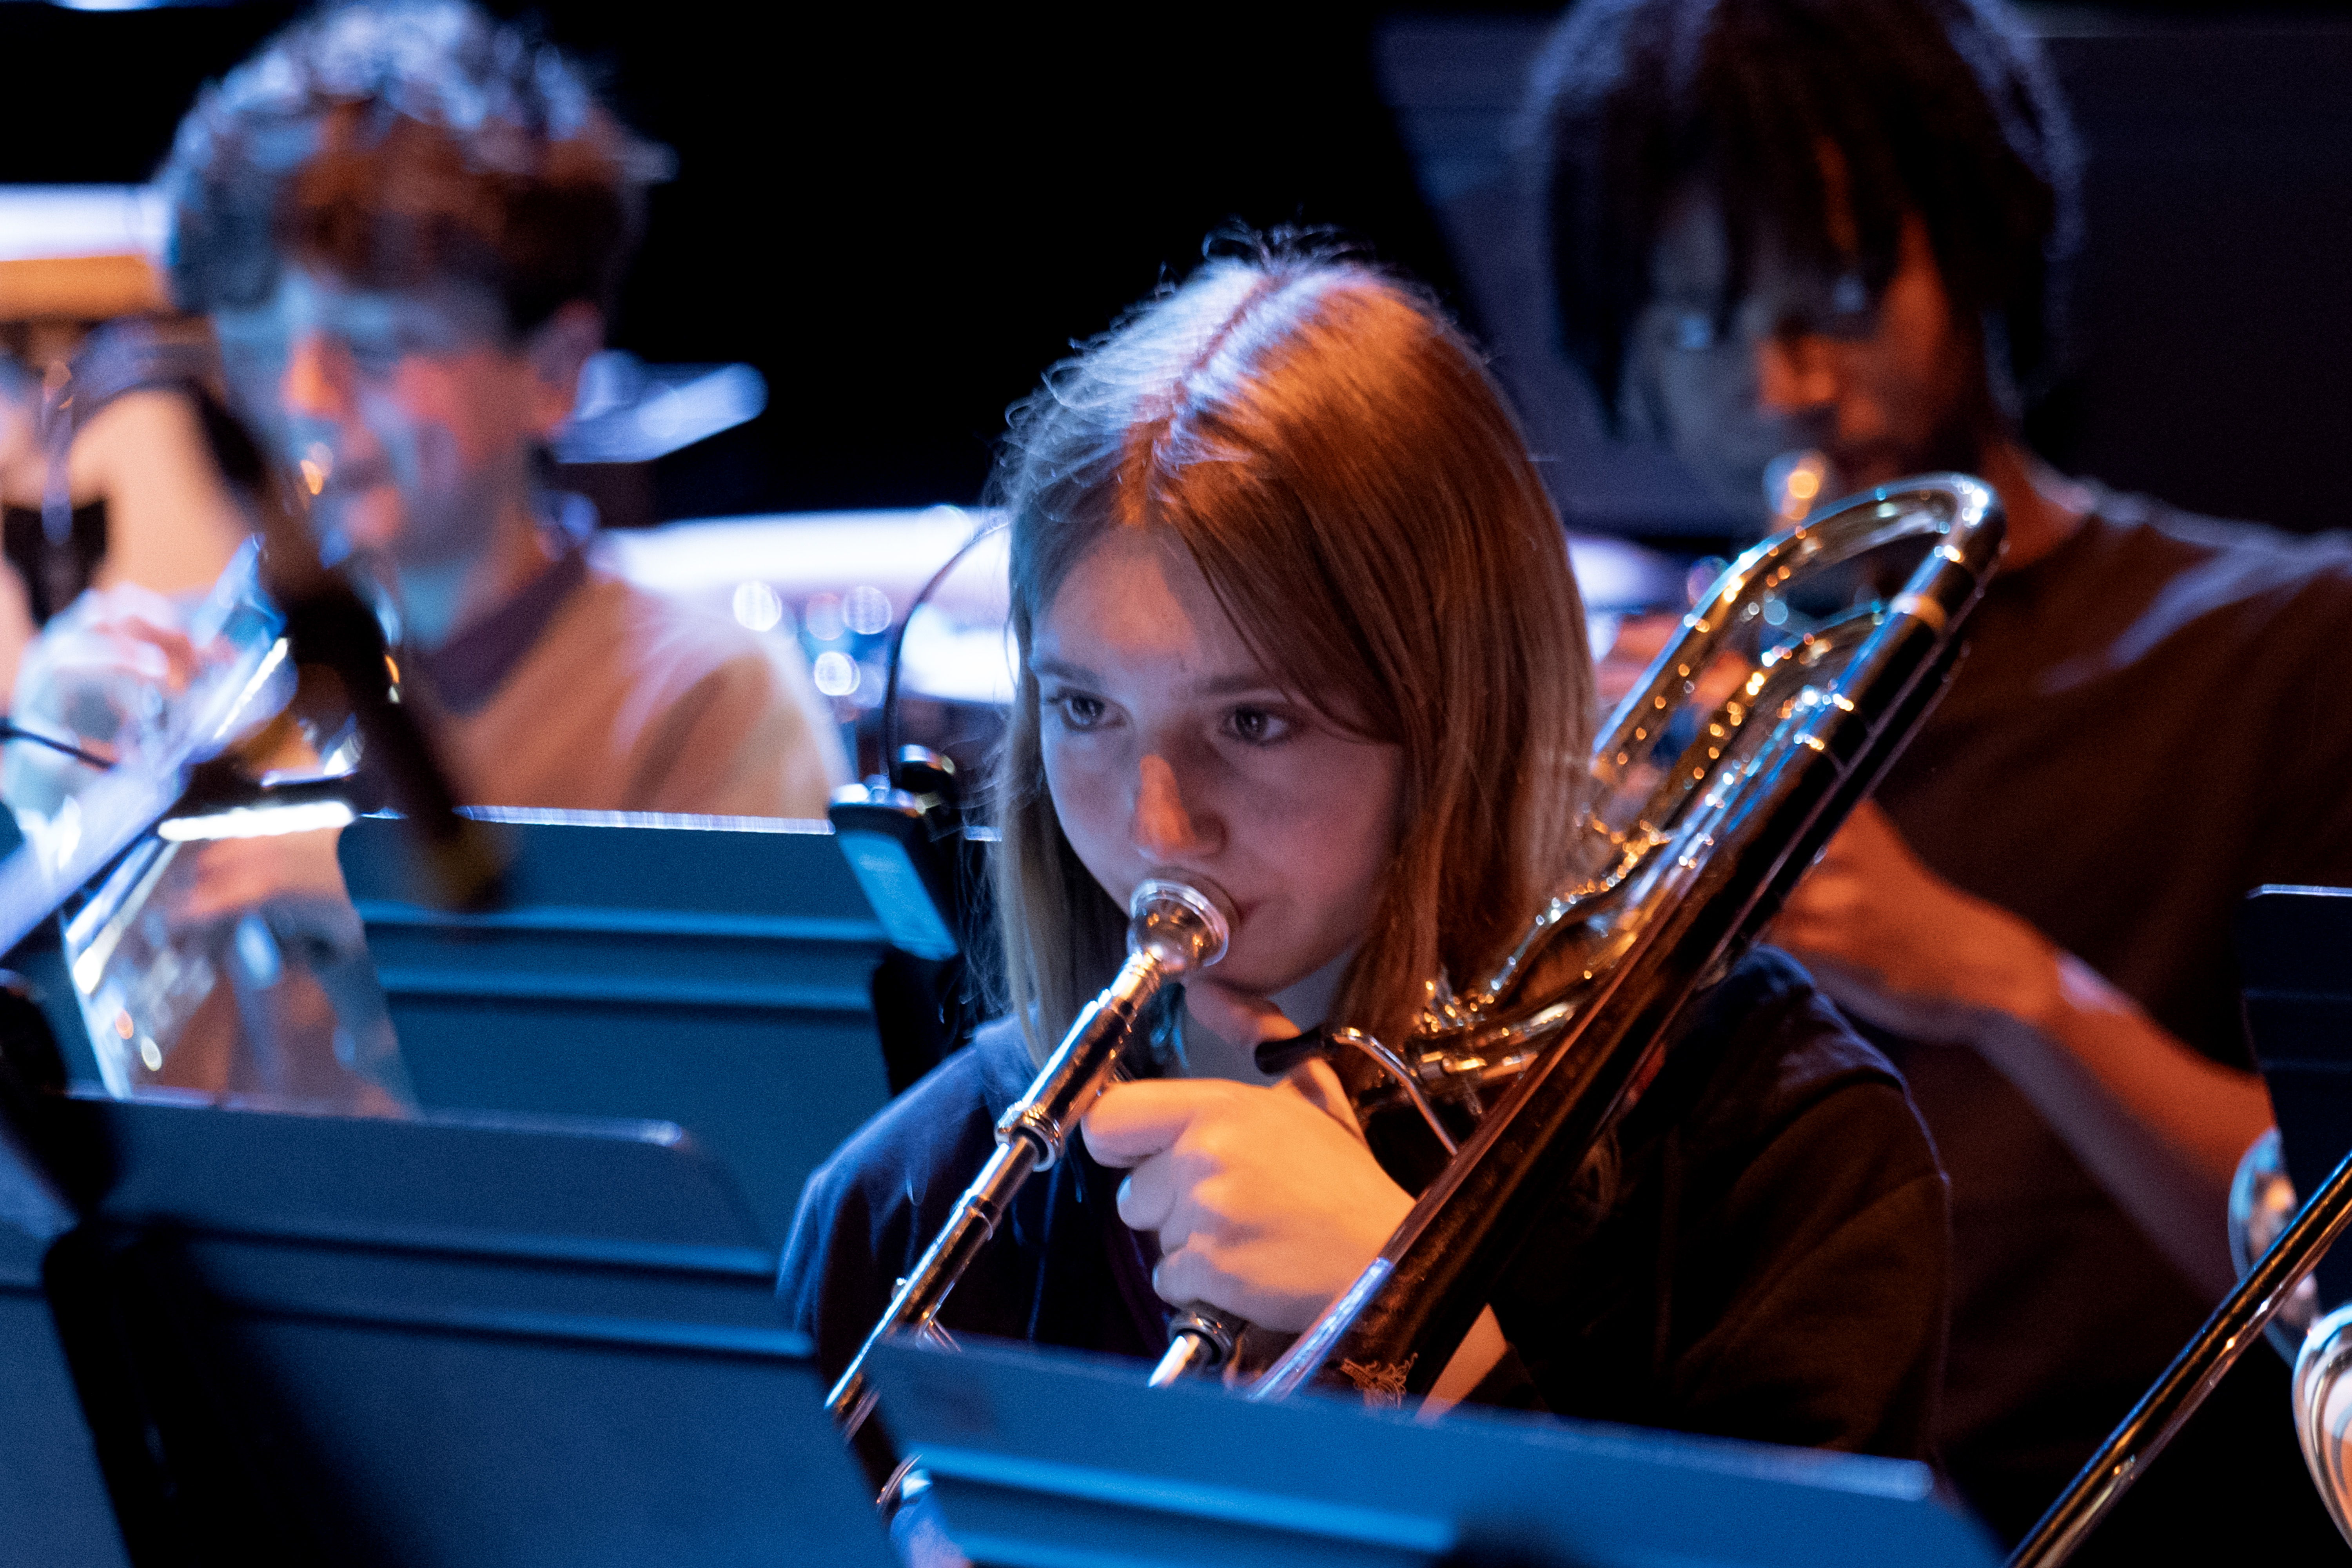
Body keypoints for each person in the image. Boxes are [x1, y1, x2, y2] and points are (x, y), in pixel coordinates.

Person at [780, 252, 1950, 1475]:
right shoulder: (919, 1192)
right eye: (1085, 710)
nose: (1161, 828)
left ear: (1464, 721)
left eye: (1254, 722)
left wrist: (1423, 1348)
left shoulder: (1783, 1150)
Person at [1523, 0, 2352, 1553]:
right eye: (1697, 328)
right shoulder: (1662, 699)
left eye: (1837, 298)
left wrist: (1994, 984)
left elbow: (2341, 1270)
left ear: (1976, 245)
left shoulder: (2289, 643)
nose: (1782, 388)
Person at [153, 0, 846, 816]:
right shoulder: (213, 670)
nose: (302, 400)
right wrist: (57, 800)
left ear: (554, 371)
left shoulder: (705, 700)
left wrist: (343, 877)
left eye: (377, 347)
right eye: (256, 351)